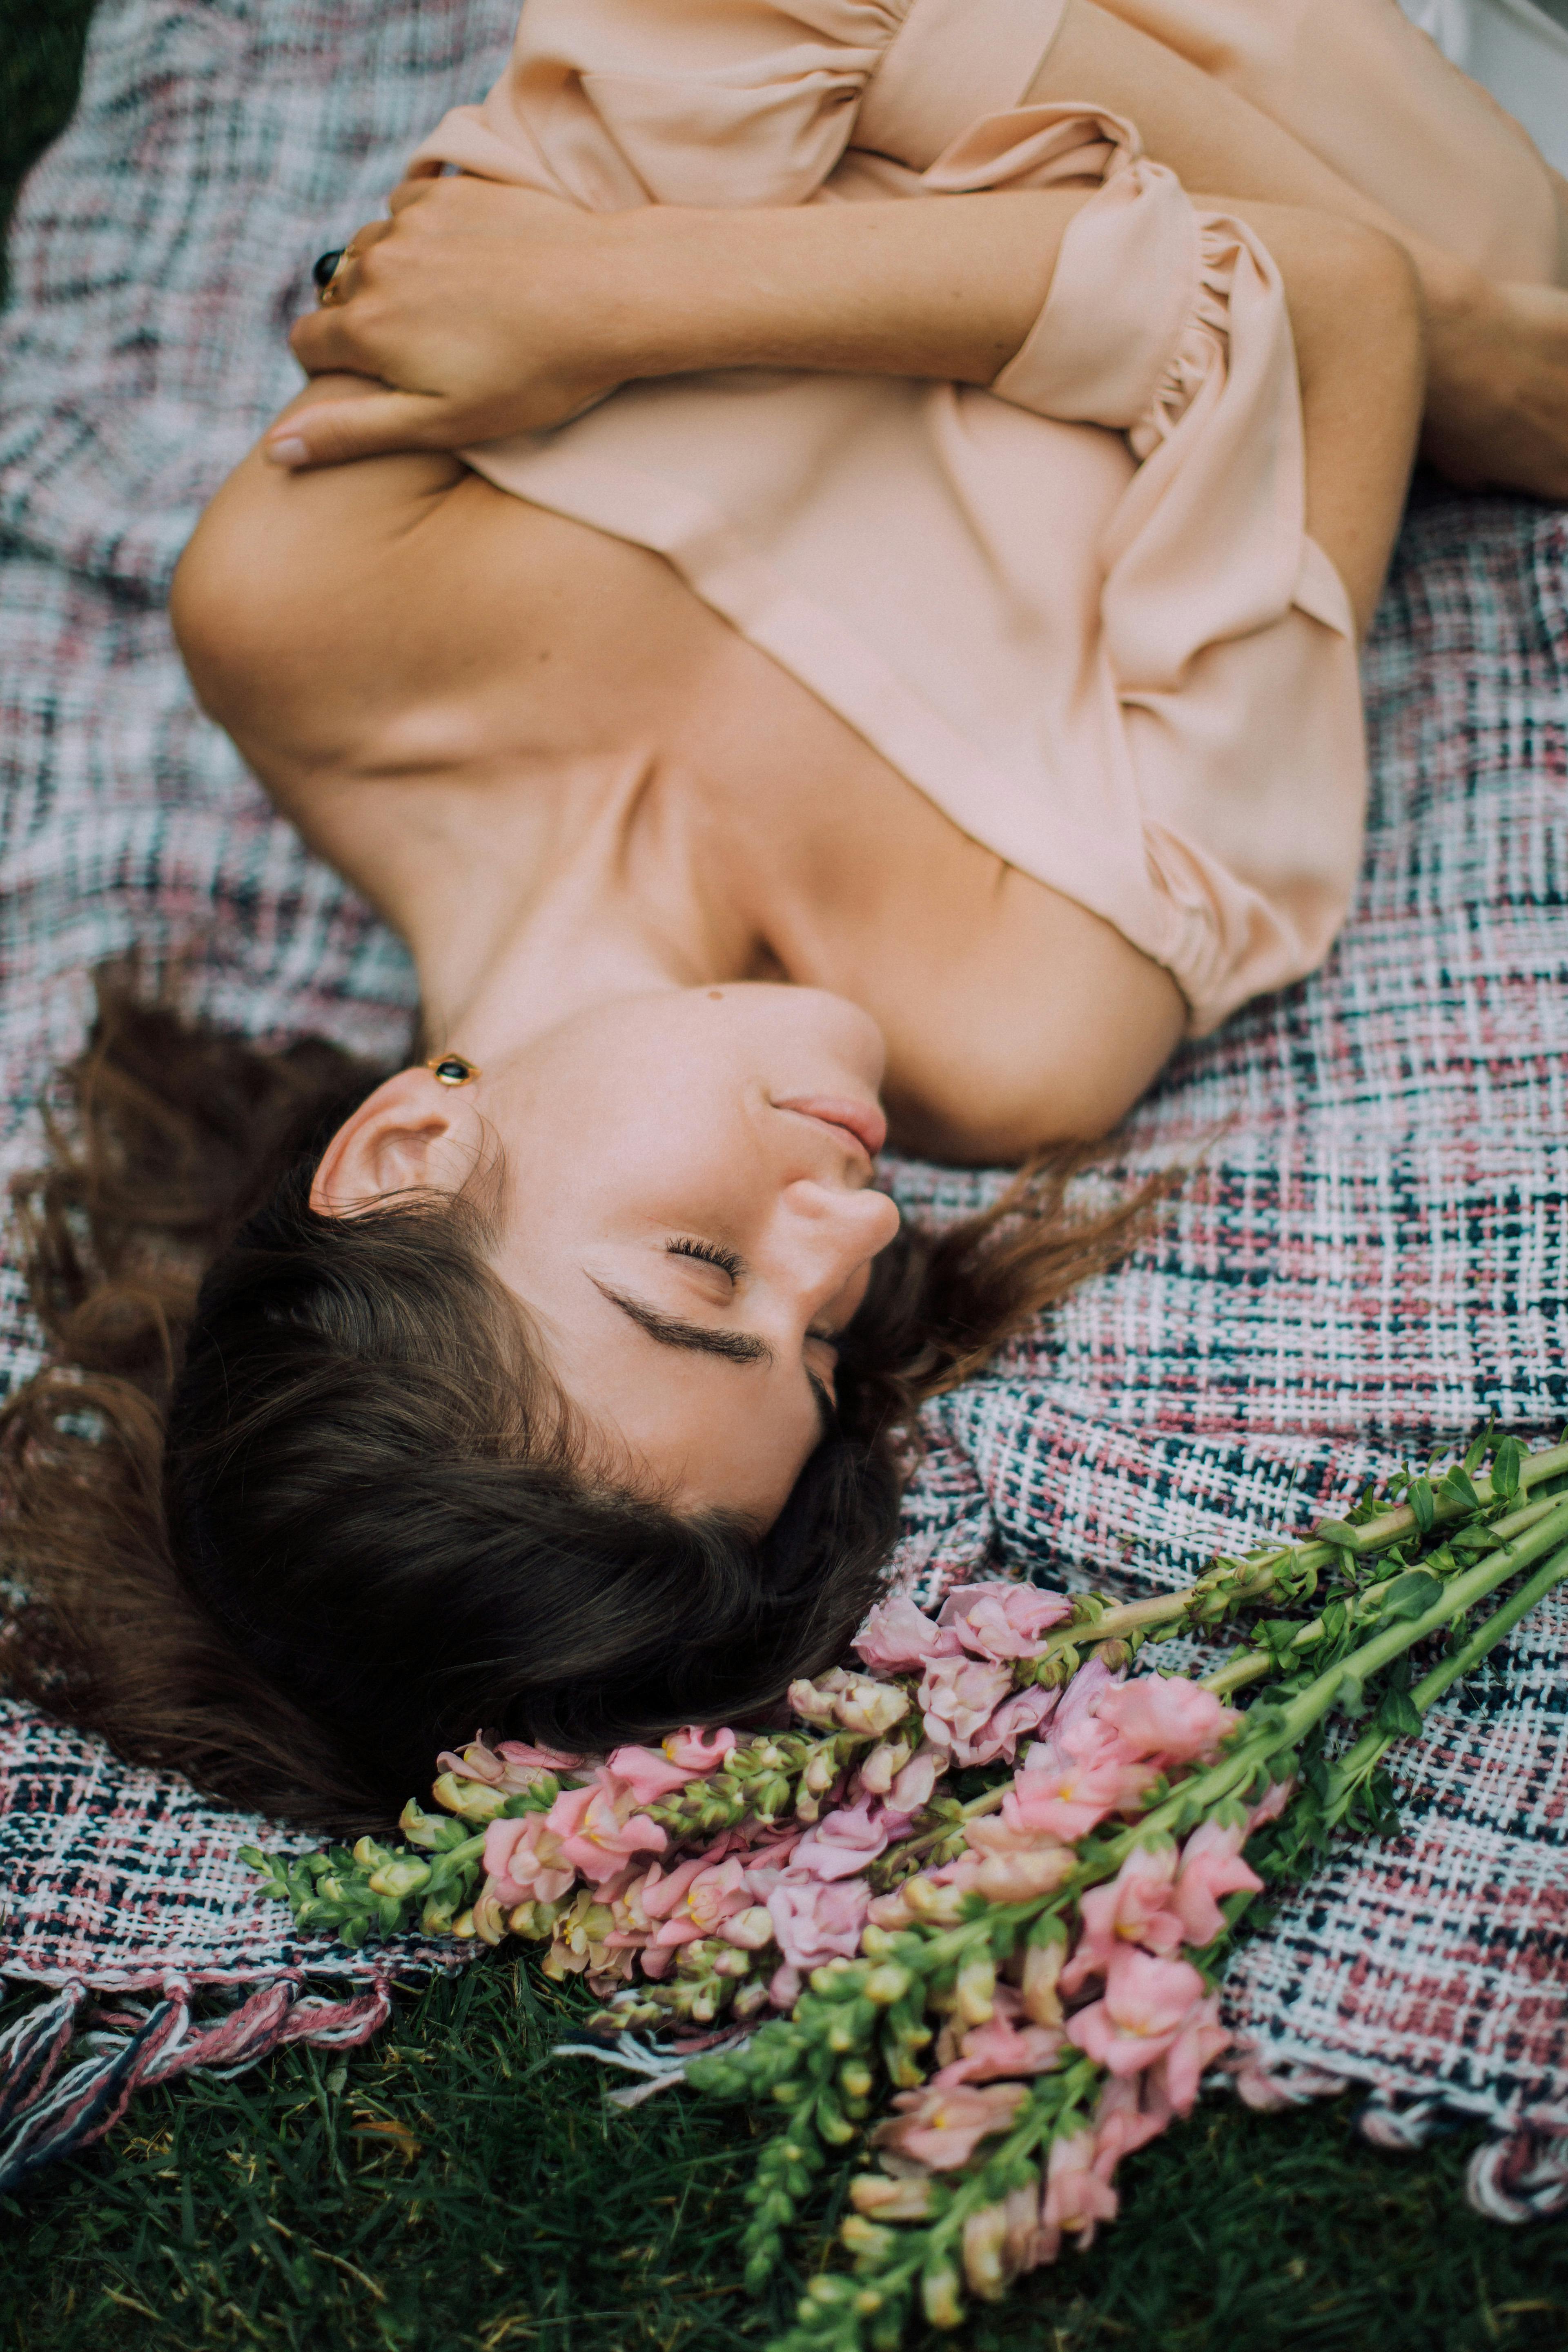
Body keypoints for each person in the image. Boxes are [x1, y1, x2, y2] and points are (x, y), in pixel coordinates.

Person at [4, 0, 1562, 1834]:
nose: (852, 1237)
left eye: (701, 1276)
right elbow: (1351, 307)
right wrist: (648, 287)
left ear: (411, 1145)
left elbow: (751, 25)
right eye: (818, 1350)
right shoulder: (1020, 1015)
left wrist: (645, 289)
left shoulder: (304, 616)